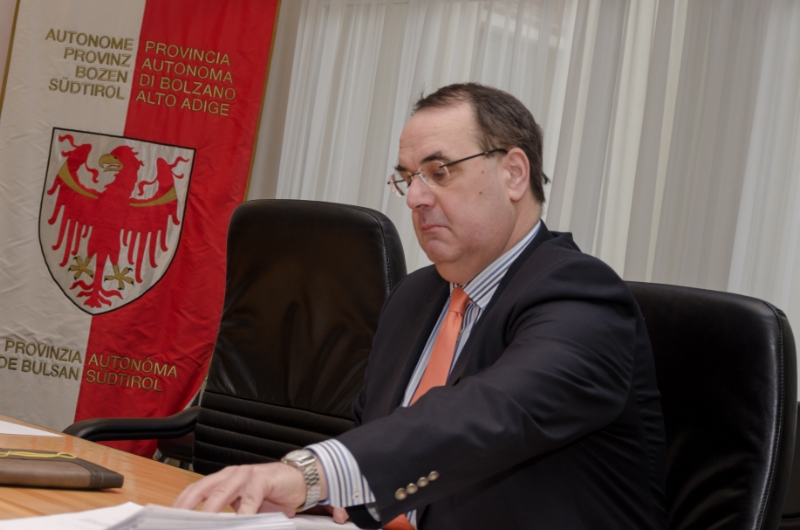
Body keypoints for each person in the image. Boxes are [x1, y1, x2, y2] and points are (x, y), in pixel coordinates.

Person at [174, 83, 668, 530]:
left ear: (514, 174)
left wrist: (310, 473)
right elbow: (382, 443)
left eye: (439, 172)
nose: (414, 197)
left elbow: (488, 413)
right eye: (408, 178)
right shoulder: (413, 297)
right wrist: (319, 500)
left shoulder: (582, 295)